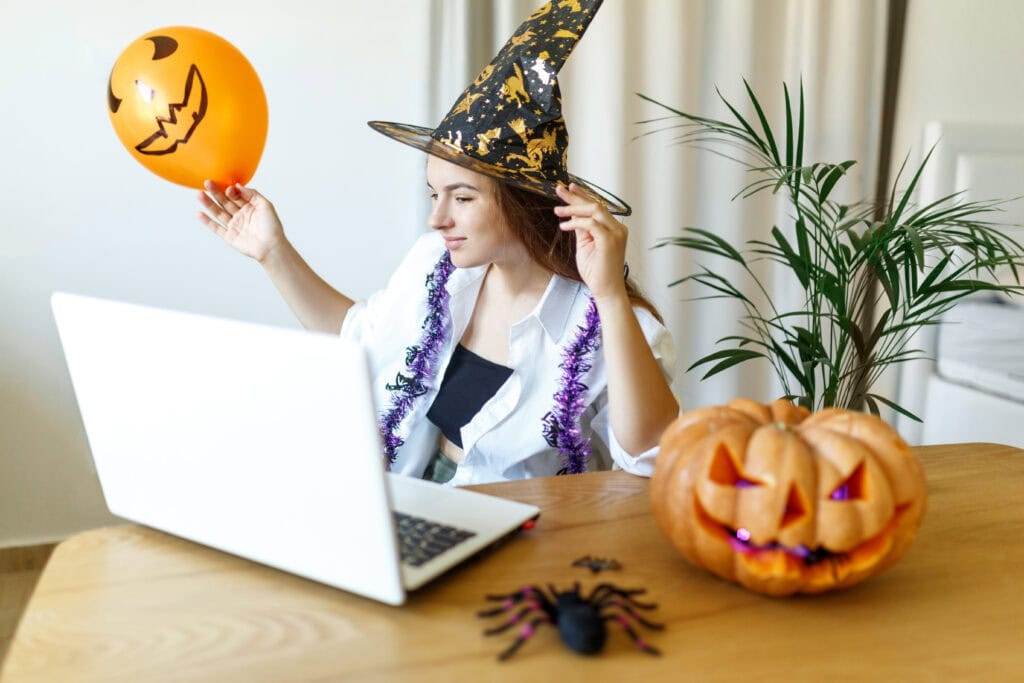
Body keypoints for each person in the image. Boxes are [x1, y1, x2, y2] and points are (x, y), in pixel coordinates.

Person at [196, 0, 679, 485]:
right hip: (410, 509)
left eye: (462, 197)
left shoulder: (607, 322)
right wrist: (272, 251)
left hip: (528, 545)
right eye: (435, 194)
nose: (437, 218)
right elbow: (360, 337)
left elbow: (651, 457)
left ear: (522, 201)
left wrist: (611, 297)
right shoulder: (436, 265)